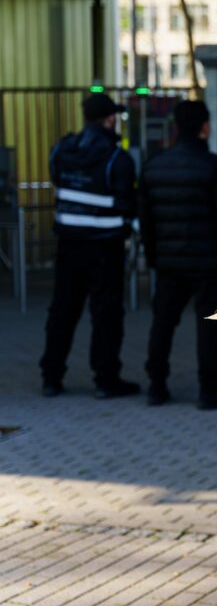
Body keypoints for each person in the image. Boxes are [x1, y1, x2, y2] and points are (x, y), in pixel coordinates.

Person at [139, 100, 217, 409]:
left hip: (168, 262)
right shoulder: (214, 166)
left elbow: (146, 220)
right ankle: (209, 389)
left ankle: (156, 386)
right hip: (208, 262)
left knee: (162, 322)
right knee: (208, 325)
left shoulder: (153, 166)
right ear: (205, 126)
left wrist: (152, 257)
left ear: (175, 126)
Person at [40, 93, 139, 399]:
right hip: (105, 249)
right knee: (106, 315)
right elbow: (127, 204)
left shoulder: (62, 149)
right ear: (109, 118)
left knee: (62, 311)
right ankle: (106, 380)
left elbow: (59, 182)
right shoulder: (116, 157)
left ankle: (51, 378)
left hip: (68, 244)